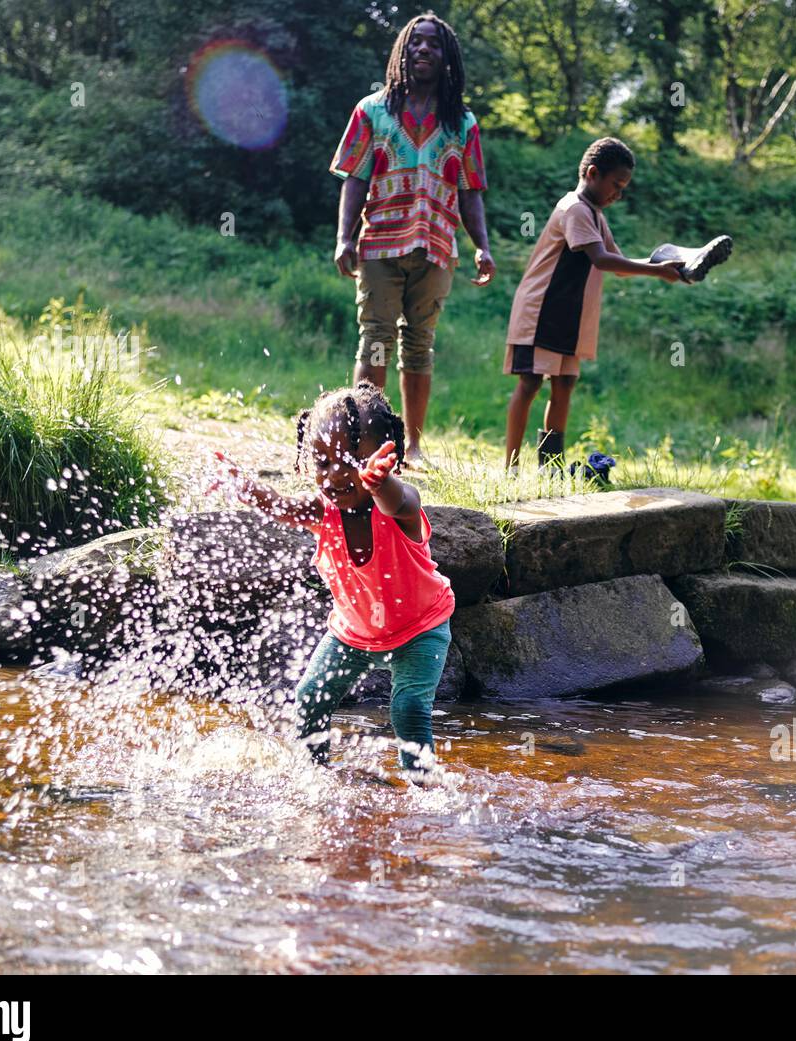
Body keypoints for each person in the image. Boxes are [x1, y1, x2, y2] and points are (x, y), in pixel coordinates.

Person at [210, 382, 456, 780]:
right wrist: (247, 487)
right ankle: (315, 775)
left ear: (385, 459)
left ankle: (424, 790)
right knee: (310, 696)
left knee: (407, 707)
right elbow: (280, 506)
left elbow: (403, 502)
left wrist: (381, 485)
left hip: (420, 629)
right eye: (322, 462)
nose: (337, 474)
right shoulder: (322, 512)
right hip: (354, 635)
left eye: (353, 461)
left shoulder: (398, 507)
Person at [329, 12, 495, 469]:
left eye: (433, 45)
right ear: (403, 52)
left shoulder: (463, 122)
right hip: (380, 243)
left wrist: (482, 245)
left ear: (447, 59)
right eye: (415, 43)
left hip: (438, 245)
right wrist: (345, 238)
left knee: (420, 343)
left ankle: (413, 447)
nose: (423, 50)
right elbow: (355, 178)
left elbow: (470, 190)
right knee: (376, 340)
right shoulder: (372, 110)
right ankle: (366, 442)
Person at [503, 137, 704, 471]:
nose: (619, 194)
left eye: (623, 188)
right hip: (540, 312)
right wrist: (656, 270)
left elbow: (618, 262)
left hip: (569, 317)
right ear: (593, 173)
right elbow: (600, 259)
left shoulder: (595, 215)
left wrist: (666, 267)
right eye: (616, 185)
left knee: (564, 384)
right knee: (531, 383)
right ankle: (510, 468)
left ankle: (549, 466)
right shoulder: (575, 209)